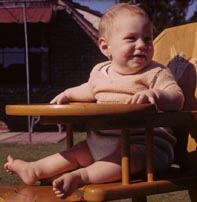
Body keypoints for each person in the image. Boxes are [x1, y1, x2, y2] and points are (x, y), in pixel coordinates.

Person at [4, 3, 184, 199]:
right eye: (131, 38)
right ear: (106, 47)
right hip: (102, 141)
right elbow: (87, 90)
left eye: (147, 39)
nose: (142, 45)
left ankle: (81, 176)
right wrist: (67, 95)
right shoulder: (100, 72)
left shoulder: (155, 73)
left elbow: (177, 98)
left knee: (128, 157)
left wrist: (157, 95)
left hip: (147, 147)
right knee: (77, 152)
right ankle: (35, 169)